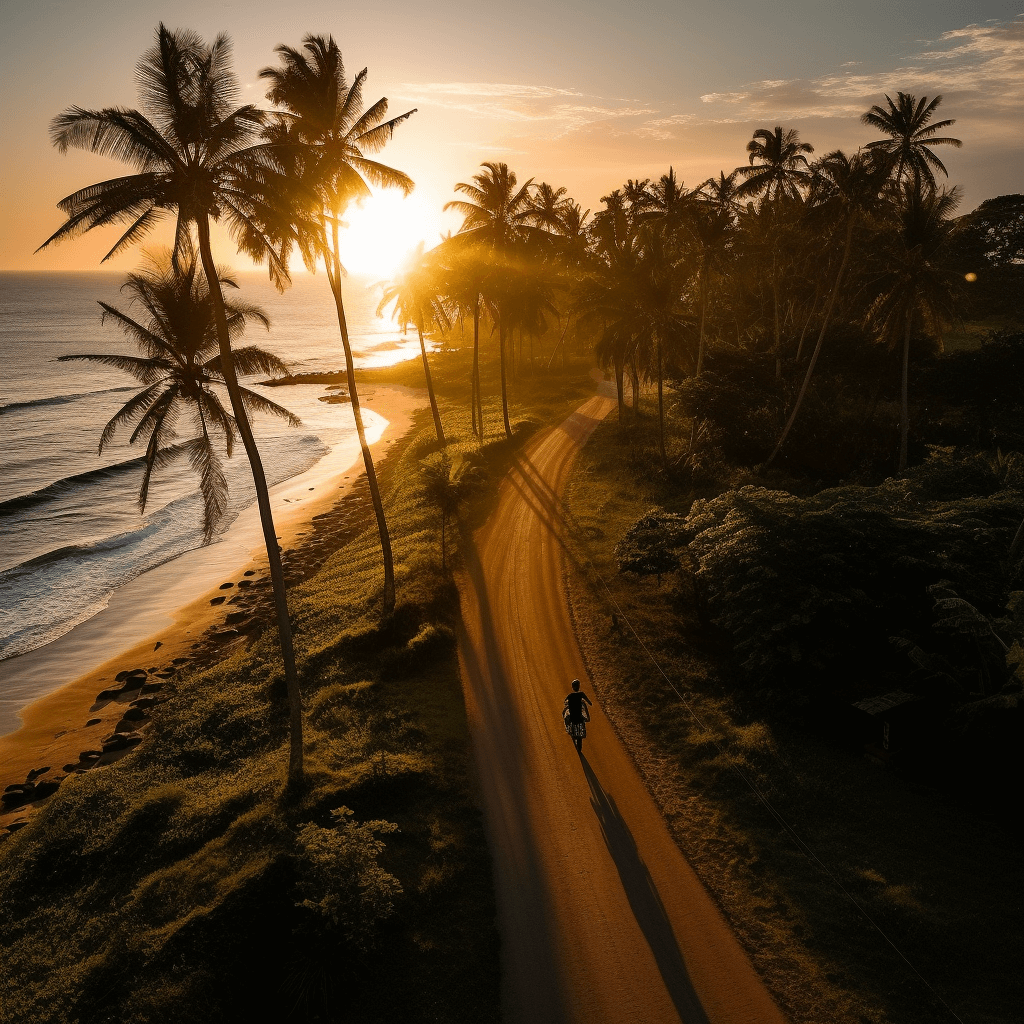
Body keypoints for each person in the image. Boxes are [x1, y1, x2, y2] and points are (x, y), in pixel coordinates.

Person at [562, 678, 593, 754]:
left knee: (565, 717)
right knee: (583, 721)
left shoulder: (570, 696)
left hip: (572, 717)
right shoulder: (581, 694)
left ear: (572, 687)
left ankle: (570, 731)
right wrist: (585, 702)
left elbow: (565, 703)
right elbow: (590, 703)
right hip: (580, 717)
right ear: (579, 686)